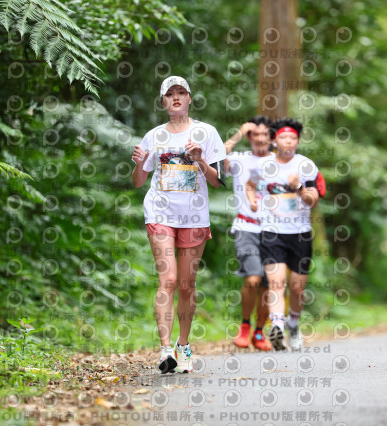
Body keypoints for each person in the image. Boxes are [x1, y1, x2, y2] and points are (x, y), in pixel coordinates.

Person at [131, 76, 226, 373]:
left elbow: (218, 181)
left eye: (181, 92)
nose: (176, 97)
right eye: (170, 93)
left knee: (186, 285)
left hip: (194, 216)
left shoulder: (207, 133)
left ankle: (183, 345)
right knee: (168, 279)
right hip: (160, 213)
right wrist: (139, 164)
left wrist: (200, 161)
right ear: (163, 102)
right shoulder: (154, 136)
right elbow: (138, 182)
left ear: (189, 98)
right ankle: (164, 350)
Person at [247, 118, 320, 351]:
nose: (288, 141)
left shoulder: (305, 165)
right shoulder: (264, 164)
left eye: (293, 138)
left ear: (297, 142)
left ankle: (293, 324)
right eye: (283, 137)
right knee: (276, 282)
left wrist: (298, 187)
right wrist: (252, 201)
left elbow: (313, 200)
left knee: (297, 288)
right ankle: (277, 326)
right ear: (274, 141)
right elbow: (250, 184)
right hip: (272, 231)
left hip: (300, 233)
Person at [223, 116, 274, 351]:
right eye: (255, 134)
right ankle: (245, 325)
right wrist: (240, 132)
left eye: (265, 134)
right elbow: (217, 156)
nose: (260, 139)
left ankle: (259, 332)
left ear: (271, 138)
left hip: (274, 230)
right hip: (246, 227)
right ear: (250, 137)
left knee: (268, 286)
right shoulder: (239, 160)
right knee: (252, 279)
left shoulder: (279, 162)